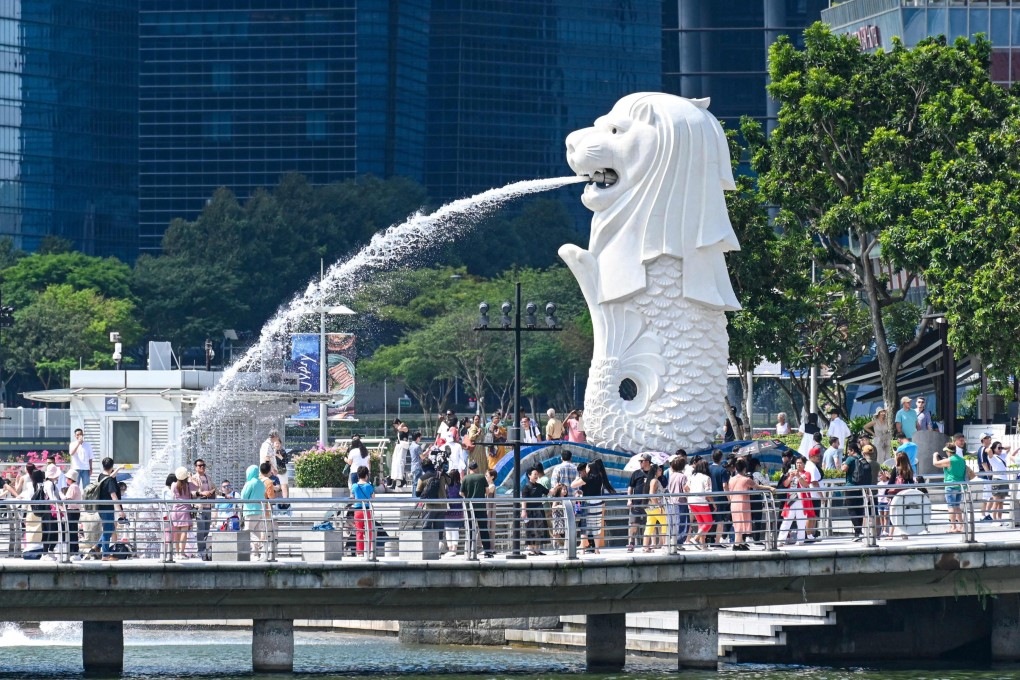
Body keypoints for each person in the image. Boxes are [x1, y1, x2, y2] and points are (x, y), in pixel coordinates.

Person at [933, 434, 970, 534]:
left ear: (949, 451)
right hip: (960, 486)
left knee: (951, 507)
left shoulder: (949, 460)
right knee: (957, 506)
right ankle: (961, 525)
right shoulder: (961, 460)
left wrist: (935, 455)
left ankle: (953, 526)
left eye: (946, 451)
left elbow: (935, 463)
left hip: (950, 485)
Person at [778, 457, 815, 545]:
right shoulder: (791, 473)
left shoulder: (807, 473)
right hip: (791, 498)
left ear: (804, 464)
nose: (798, 464)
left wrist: (798, 476)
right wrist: (791, 477)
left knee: (801, 521)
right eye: (797, 463)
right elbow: (785, 484)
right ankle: (781, 540)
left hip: (802, 500)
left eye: (800, 463)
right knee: (786, 520)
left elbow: (806, 484)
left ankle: (800, 540)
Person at [95, 458, 126, 562]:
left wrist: (118, 469)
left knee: (110, 528)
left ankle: (97, 547)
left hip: (100, 507)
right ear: (111, 466)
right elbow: (114, 496)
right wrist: (120, 511)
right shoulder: (110, 481)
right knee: (107, 531)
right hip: (107, 508)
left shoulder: (101, 476)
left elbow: (109, 477)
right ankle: (105, 555)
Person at [461, 461, 493, 557]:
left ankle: (470, 551)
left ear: (469, 468)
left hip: (469, 507)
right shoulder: (481, 477)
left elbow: (461, 493)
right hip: (480, 506)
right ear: (476, 468)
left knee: (470, 528)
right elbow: (487, 491)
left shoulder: (465, 478)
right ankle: (487, 551)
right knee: (483, 528)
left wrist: (467, 497)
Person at [884, 451, 915, 540]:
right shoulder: (909, 469)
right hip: (906, 494)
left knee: (893, 514)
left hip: (895, 495)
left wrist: (887, 493)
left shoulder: (896, 469)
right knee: (904, 513)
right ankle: (904, 533)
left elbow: (891, 483)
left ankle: (891, 535)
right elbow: (911, 483)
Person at [240, 464, 268, 559]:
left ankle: (259, 546)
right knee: (256, 532)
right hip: (260, 510)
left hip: (250, 511)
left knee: (248, 531)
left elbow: (243, 497)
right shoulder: (260, 483)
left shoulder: (250, 483)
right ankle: (255, 554)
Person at [626, 453, 653, 552]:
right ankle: (631, 543)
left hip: (649, 503)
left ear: (647, 462)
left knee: (649, 524)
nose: (640, 463)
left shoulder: (653, 473)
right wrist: (629, 499)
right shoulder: (636, 473)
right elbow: (630, 487)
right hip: (636, 503)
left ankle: (648, 545)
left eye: (642, 461)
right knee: (633, 523)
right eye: (640, 461)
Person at [169, 466, 197, 559]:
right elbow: (198, 485)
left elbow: (173, 493)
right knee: (184, 532)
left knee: (176, 532)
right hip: (185, 510)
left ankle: (177, 553)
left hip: (175, 510)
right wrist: (191, 477)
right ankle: (182, 552)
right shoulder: (188, 485)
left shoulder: (174, 485)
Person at [842, 446, 869, 541]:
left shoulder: (850, 459)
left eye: (849, 450)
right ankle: (859, 532)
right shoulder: (862, 458)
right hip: (860, 487)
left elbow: (844, 469)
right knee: (859, 509)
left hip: (850, 487)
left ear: (852, 450)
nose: (848, 452)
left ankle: (858, 532)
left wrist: (843, 464)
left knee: (851, 509)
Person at [191, 459, 216, 560]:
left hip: (208, 506)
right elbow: (192, 492)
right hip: (200, 507)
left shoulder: (208, 477)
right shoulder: (193, 478)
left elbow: (215, 488)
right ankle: (200, 550)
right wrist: (202, 493)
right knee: (200, 530)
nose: (202, 467)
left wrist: (224, 495)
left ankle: (204, 550)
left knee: (206, 530)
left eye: (204, 465)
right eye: (200, 465)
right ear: (196, 467)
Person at [686, 460, 713, 550]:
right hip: (701, 502)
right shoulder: (706, 478)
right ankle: (695, 538)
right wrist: (713, 503)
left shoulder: (692, 476)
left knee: (701, 523)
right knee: (708, 522)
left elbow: (685, 487)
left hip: (691, 501)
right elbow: (708, 493)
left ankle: (703, 545)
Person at [521, 467, 548, 556]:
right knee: (530, 529)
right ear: (529, 475)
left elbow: (548, 492)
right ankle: (530, 549)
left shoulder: (539, 486)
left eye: (537, 474)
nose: (536, 476)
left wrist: (556, 488)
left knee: (540, 529)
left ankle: (537, 549)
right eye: (534, 474)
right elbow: (523, 500)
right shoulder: (526, 487)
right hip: (530, 511)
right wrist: (523, 511)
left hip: (539, 510)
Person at [666, 455, 690, 550]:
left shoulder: (671, 476)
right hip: (681, 501)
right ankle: (679, 542)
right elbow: (685, 489)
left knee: (673, 522)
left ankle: (673, 540)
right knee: (683, 522)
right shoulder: (683, 477)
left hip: (672, 501)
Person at [351, 465, 375, 556]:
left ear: (358, 475)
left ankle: (359, 552)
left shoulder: (354, 486)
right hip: (367, 510)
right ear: (366, 475)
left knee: (359, 531)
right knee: (369, 530)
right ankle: (369, 550)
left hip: (357, 510)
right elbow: (373, 497)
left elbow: (352, 497)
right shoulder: (368, 486)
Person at [642, 464, 667, 552]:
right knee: (665, 523)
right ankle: (665, 544)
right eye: (659, 470)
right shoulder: (654, 481)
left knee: (649, 526)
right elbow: (652, 494)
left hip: (650, 507)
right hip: (656, 507)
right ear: (655, 471)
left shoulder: (653, 480)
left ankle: (645, 546)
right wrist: (658, 505)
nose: (661, 471)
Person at [708, 450, 730, 545]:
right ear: (721, 458)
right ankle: (717, 542)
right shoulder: (723, 470)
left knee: (710, 520)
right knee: (720, 521)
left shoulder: (708, 469)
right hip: (720, 498)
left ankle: (708, 540)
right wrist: (729, 499)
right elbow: (725, 485)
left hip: (709, 497)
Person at [61, 469, 82, 558]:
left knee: (72, 532)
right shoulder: (75, 486)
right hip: (74, 511)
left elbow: (67, 498)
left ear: (70, 479)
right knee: (72, 531)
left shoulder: (73, 487)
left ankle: (74, 551)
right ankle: (74, 551)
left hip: (72, 511)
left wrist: (60, 495)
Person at [444, 470, 463, 556]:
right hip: (458, 510)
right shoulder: (460, 486)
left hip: (448, 510)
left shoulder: (447, 486)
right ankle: (454, 548)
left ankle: (450, 548)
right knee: (455, 530)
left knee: (448, 530)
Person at [390, 418, 410, 489]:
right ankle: (400, 481)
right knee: (395, 463)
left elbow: (399, 428)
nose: (395, 426)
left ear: (398, 423)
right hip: (398, 446)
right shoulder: (399, 430)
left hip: (403, 447)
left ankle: (397, 482)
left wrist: (401, 424)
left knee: (400, 463)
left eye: (395, 425)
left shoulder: (405, 428)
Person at [409, 432, 425, 496]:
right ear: (417, 438)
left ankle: (413, 497)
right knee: (417, 483)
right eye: (420, 438)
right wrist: (428, 452)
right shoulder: (417, 446)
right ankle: (415, 498)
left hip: (413, 466)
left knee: (414, 483)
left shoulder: (411, 446)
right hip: (418, 467)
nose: (420, 439)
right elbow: (422, 457)